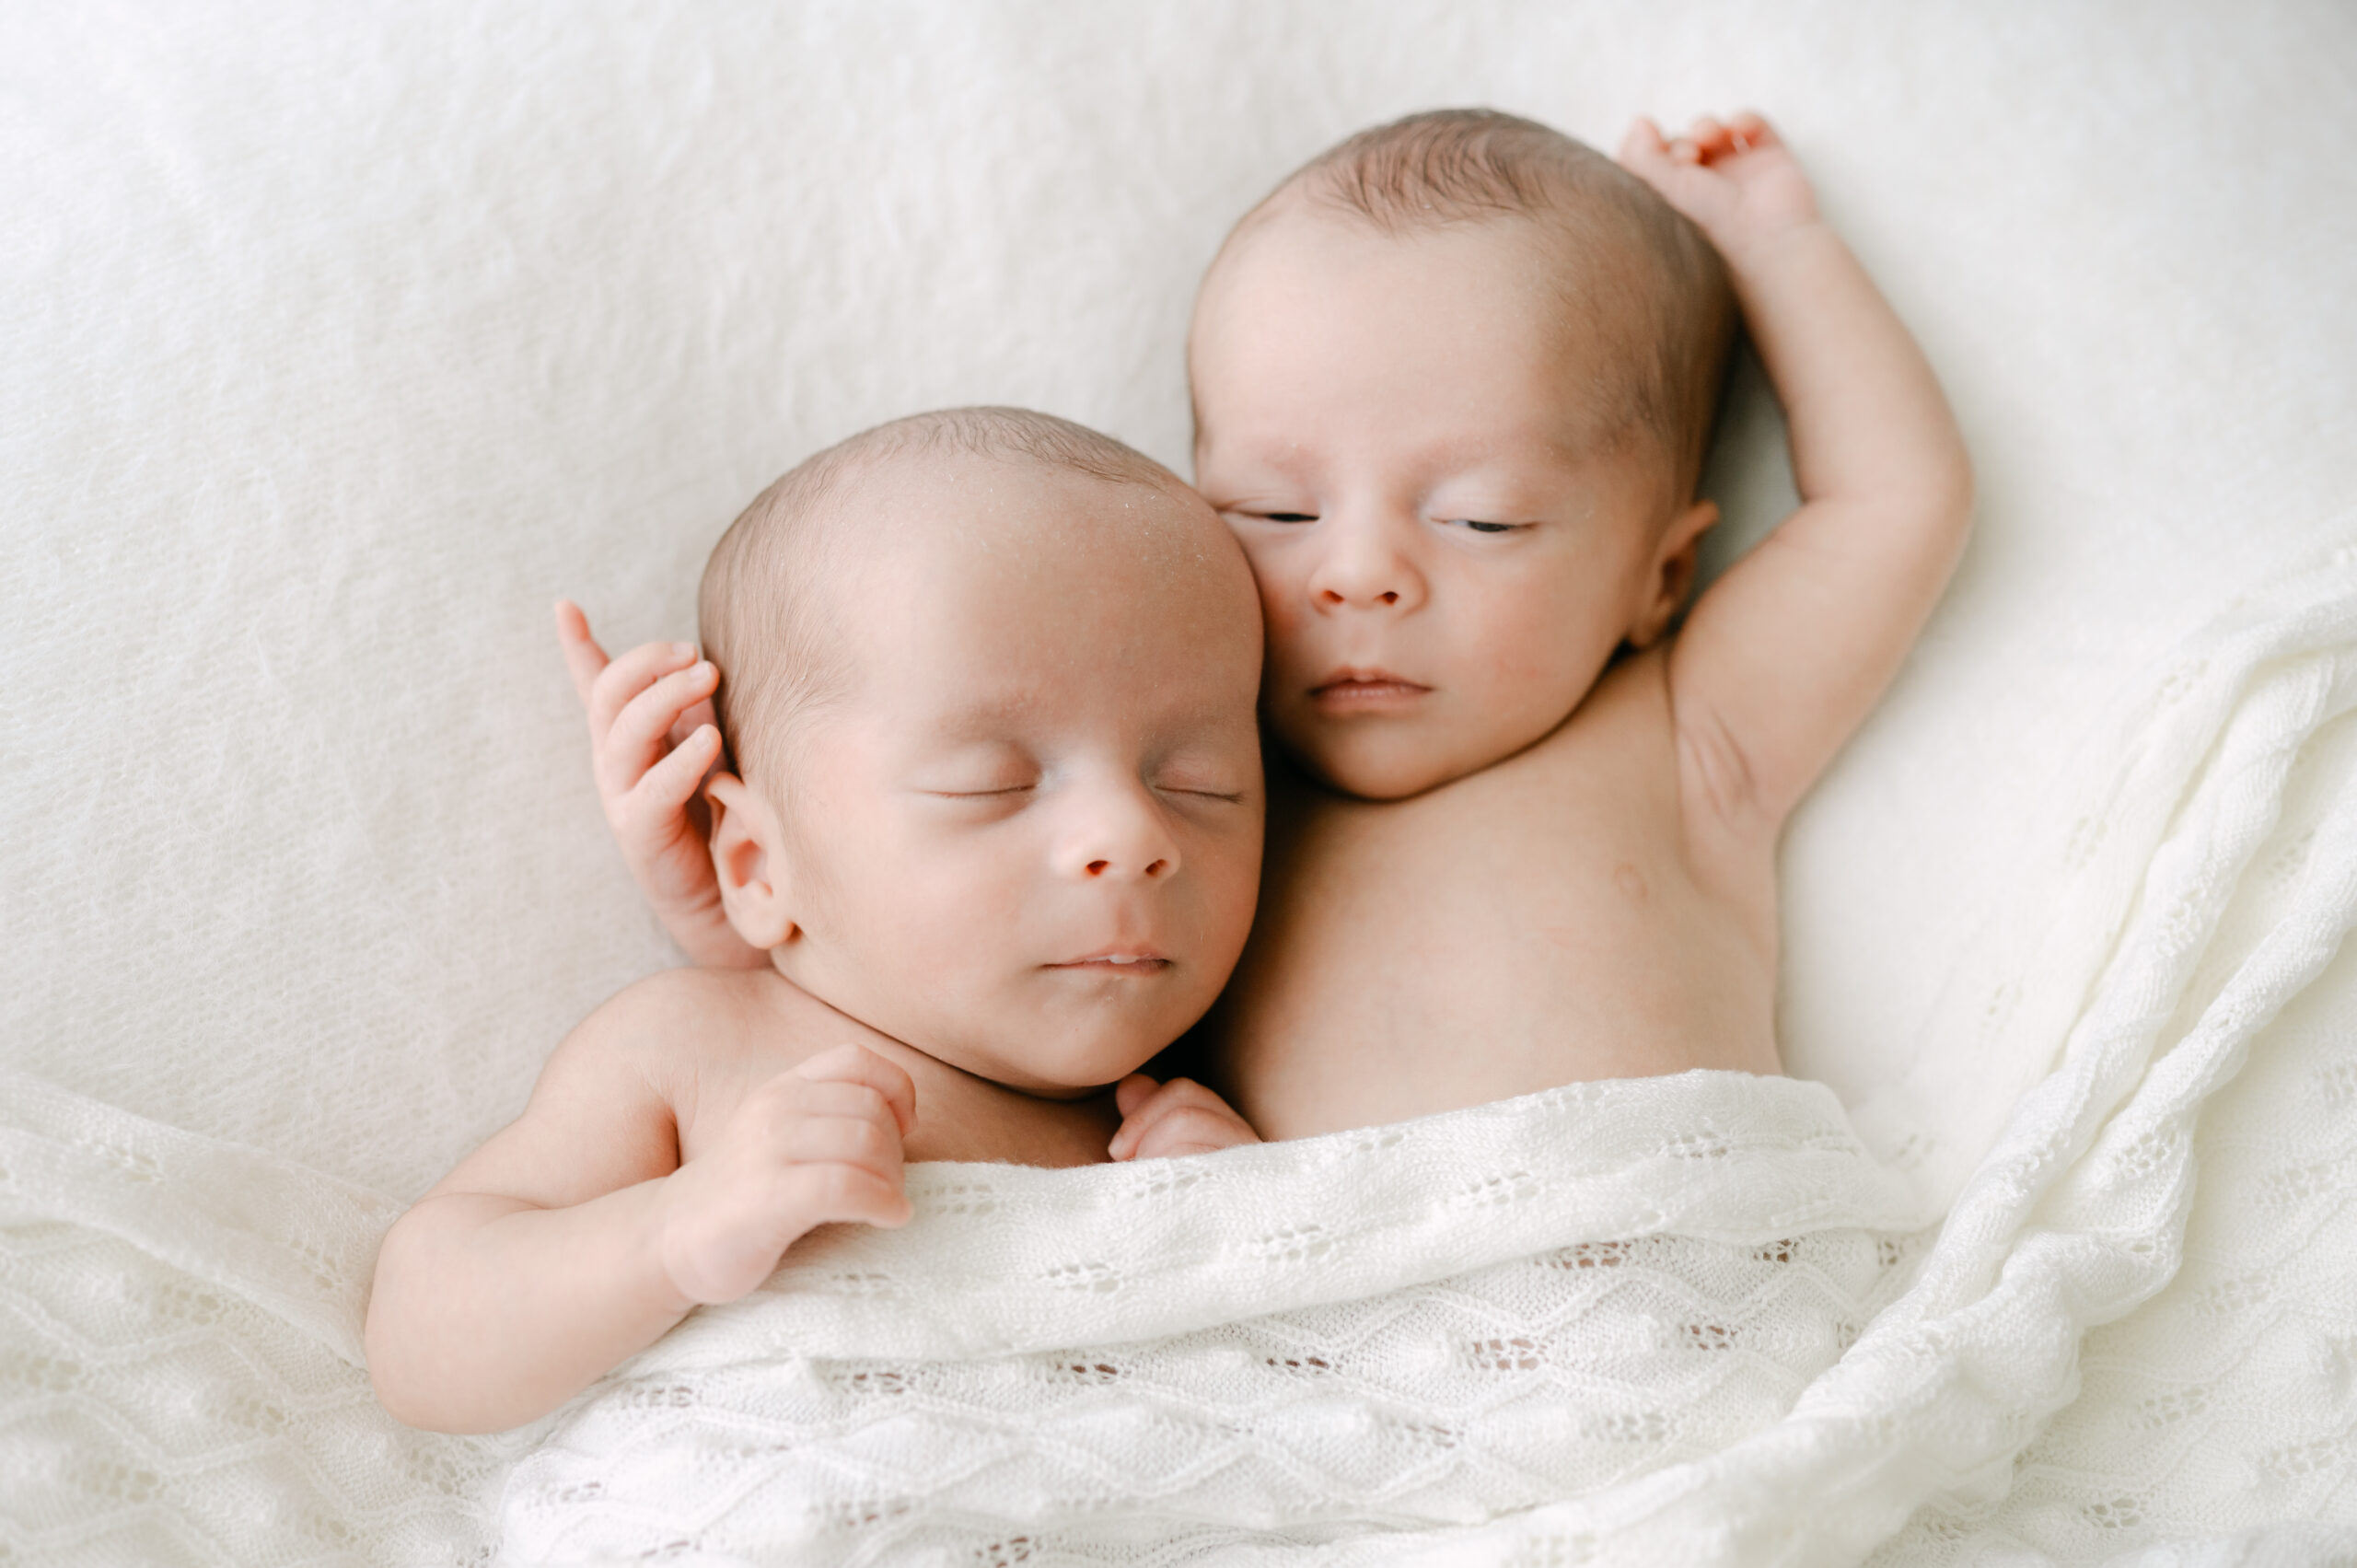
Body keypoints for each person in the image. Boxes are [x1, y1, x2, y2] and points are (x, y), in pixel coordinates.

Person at [569, 107, 1970, 1149]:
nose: (1359, 577)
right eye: (1276, 512)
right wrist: (746, 915)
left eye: (1481, 520)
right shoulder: (1194, 810)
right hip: (1370, 1356)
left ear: (1653, 581)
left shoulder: (1680, 722)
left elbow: (1894, 502)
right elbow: (979, 1028)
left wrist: (1774, 245)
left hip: (1675, 1261)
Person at [366, 410, 1267, 1434]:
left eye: (1203, 782)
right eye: (994, 782)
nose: (1134, 831)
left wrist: (1257, 1239)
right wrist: (671, 1232)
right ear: (754, 859)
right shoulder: (698, 1048)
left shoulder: (1179, 1119)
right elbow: (419, 1333)